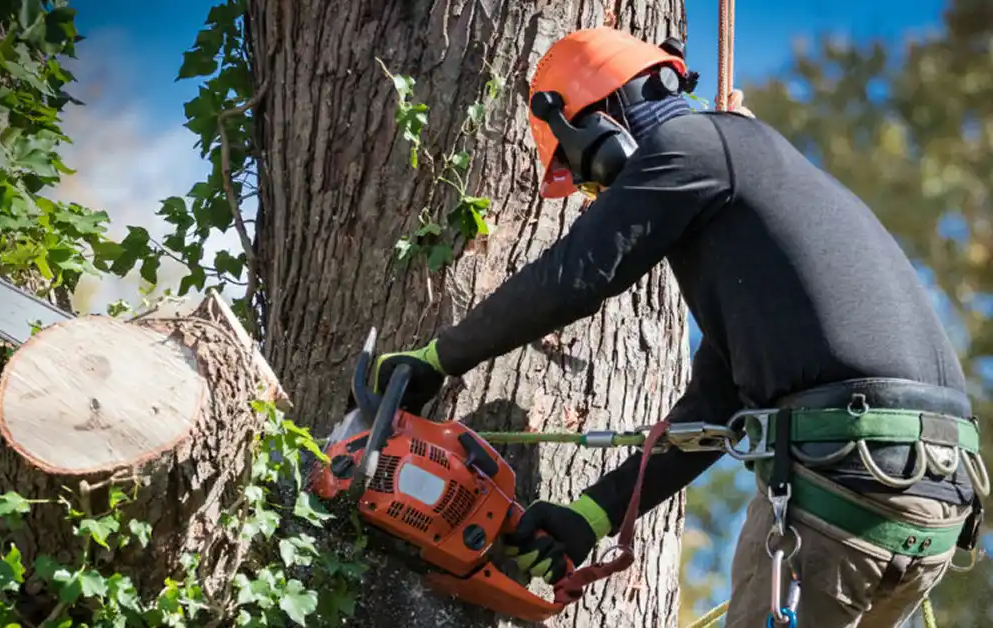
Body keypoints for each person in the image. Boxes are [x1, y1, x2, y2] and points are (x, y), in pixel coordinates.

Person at [371, 27, 985, 627]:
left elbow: (580, 273)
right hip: (930, 500)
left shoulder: (691, 148)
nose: (598, 196)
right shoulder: (756, 206)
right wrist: (590, 517)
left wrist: (436, 359)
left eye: (588, 179)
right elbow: (716, 411)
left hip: (844, 487)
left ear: (598, 128)